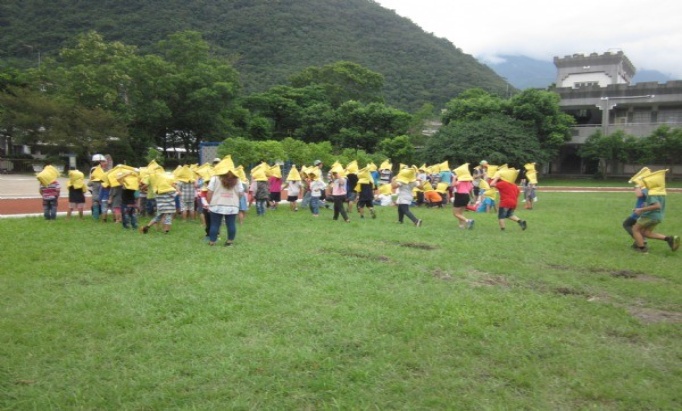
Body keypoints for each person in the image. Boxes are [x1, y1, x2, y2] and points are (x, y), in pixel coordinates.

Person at [631, 169, 679, 253]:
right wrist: (645, 206)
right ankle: (669, 239)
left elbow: (657, 206)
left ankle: (642, 249)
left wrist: (641, 209)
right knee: (646, 233)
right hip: (658, 217)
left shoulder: (652, 193)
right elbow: (656, 204)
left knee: (635, 229)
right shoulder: (660, 192)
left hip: (650, 216)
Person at [206, 169, 244, 247]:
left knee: (214, 224)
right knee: (231, 224)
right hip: (232, 205)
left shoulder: (215, 178)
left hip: (216, 204)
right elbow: (241, 193)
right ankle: (229, 242)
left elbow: (209, 192)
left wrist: (210, 202)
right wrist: (237, 199)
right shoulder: (237, 179)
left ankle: (212, 242)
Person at [452, 164, 474, 229]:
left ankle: (467, 221)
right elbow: (470, 190)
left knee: (455, 213)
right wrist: (472, 197)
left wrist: (454, 178)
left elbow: (453, 185)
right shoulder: (468, 182)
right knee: (460, 213)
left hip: (460, 196)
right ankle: (461, 226)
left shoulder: (459, 181)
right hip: (466, 196)